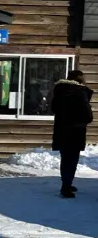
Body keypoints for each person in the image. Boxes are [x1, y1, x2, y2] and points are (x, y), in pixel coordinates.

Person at [51, 69, 93, 198]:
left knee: (65, 158)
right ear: (80, 79)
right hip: (75, 131)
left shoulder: (59, 90)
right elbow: (88, 116)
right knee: (72, 159)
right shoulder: (80, 92)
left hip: (61, 130)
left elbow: (53, 109)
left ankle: (66, 183)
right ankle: (66, 186)